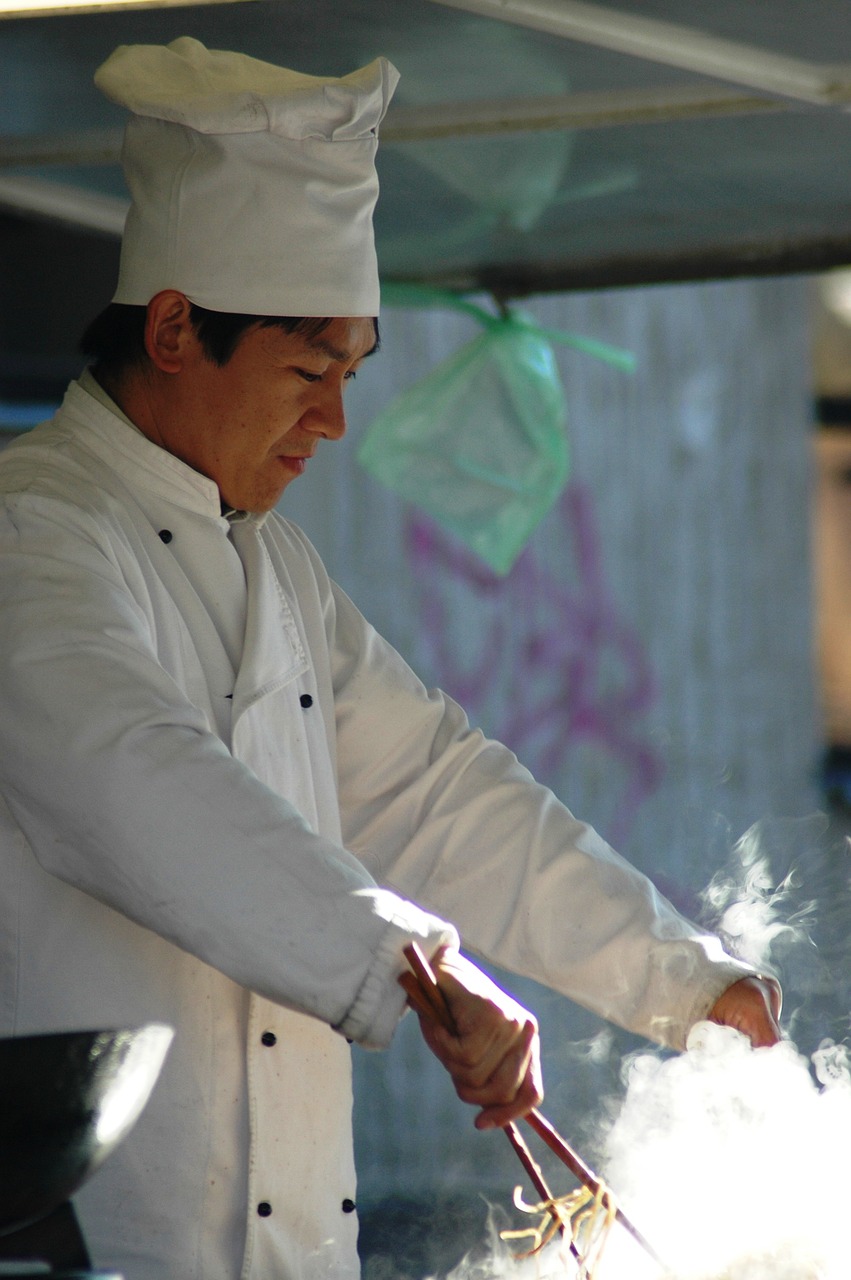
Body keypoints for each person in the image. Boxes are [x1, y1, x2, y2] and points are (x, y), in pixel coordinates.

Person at [0, 36, 780, 1280]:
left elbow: (431, 784)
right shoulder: (29, 528)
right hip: (98, 1241)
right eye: (308, 370)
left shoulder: (277, 565)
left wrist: (683, 979)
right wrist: (409, 963)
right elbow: (132, 776)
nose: (336, 420)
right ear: (170, 328)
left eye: (352, 373)